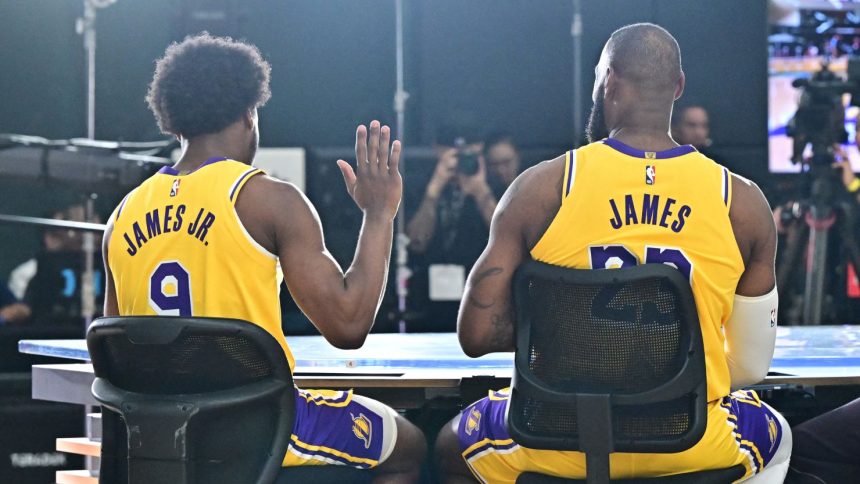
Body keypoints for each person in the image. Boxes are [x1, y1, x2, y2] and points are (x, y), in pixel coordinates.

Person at [435, 23, 791, 483]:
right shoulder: (741, 202)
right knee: (778, 434)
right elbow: (750, 366)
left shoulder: (540, 188)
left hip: (559, 443)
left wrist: (572, 333)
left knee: (448, 443)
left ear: (608, 81)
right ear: (679, 87)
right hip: (689, 441)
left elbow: (476, 336)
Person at [101, 34, 425, 482]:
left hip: (160, 440)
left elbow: (119, 354)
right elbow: (349, 325)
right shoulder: (268, 200)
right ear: (249, 113)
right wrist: (379, 213)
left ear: (175, 124)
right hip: (258, 430)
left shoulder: (122, 216)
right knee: (411, 445)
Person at [405, 125, 511, 331]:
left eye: (469, 153)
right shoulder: (421, 184)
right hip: (427, 302)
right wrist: (433, 191)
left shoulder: (498, 184)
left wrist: (481, 194)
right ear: (438, 150)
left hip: (480, 295)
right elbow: (416, 242)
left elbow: (509, 240)